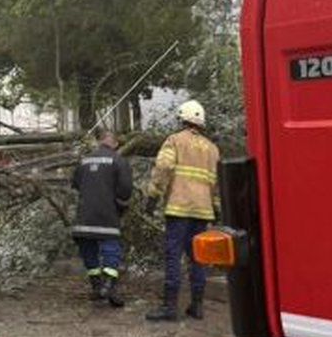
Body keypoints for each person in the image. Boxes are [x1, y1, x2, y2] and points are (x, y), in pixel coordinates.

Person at [144, 100, 220, 322]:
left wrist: (153, 195)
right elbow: (215, 182)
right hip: (203, 212)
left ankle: (170, 307)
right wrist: (216, 207)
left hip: (179, 210)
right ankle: (197, 306)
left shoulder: (174, 141)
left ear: (182, 119)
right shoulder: (212, 149)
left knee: (173, 257)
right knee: (198, 258)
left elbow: (164, 168)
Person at [71, 128, 133, 307]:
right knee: (110, 253)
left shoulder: (84, 160)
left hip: (83, 219)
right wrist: (121, 206)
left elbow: (75, 184)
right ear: (114, 143)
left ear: (100, 141)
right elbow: (125, 190)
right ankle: (108, 286)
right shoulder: (119, 161)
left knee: (89, 254)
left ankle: (97, 287)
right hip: (107, 218)